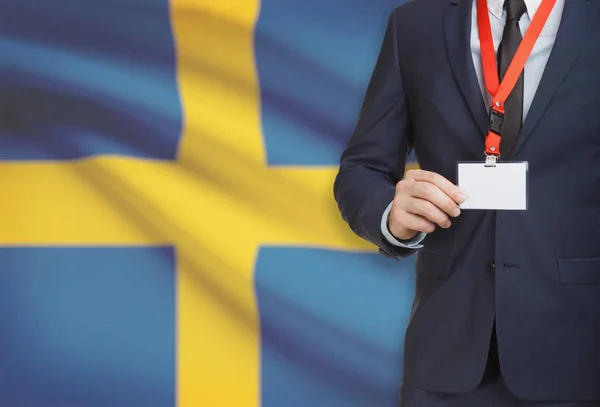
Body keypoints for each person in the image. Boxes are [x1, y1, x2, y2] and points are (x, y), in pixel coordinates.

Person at [333, 0, 600, 405]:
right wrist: (389, 214)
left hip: (580, 353)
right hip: (445, 356)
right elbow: (362, 167)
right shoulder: (415, 24)